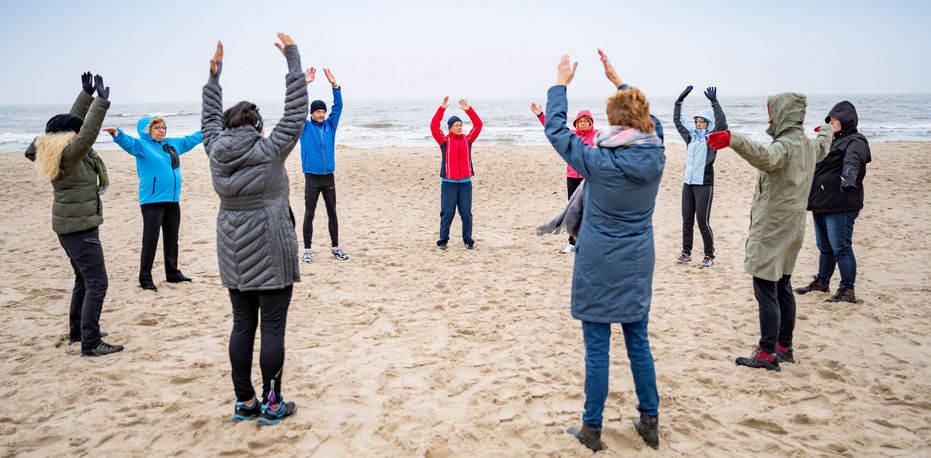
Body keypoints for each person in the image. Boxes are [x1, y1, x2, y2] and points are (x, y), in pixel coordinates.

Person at [546, 50, 664, 452]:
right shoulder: (657, 153)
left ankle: (591, 430)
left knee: (597, 349)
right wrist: (621, 83)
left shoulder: (597, 160)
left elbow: (557, 131)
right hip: (636, 259)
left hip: (598, 261)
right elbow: (655, 124)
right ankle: (650, 422)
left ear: (614, 122)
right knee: (638, 343)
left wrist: (560, 85)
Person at [201, 34, 307, 425]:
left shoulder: (214, 148)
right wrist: (293, 63)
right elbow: (295, 115)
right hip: (270, 243)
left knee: (242, 323)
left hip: (231, 244)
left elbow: (208, 122)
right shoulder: (268, 149)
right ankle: (273, 402)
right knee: (273, 326)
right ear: (257, 125)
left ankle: (245, 400)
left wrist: (214, 81)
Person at [707, 93, 834, 371]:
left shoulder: (785, 146)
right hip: (793, 229)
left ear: (782, 113)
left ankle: (767, 354)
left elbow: (764, 157)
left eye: (771, 111)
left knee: (766, 288)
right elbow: (824, 144)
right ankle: (783, 347)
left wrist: (733, 140)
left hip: (773, 228)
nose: (769, 116)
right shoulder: (808, 146)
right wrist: (827, 127)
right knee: (783, 286)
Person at [25, 72, 124, 357]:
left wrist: (85, 97)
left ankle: (77, 331)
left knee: (83, 278)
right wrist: (101, 103)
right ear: (68, 137)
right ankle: (91, 342)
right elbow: (88, 132)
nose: (77, 135)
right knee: (97, 282)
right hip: (80, 228)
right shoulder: (69, 154)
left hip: (68, 225)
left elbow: (69, 126)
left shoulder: (52, 149)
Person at [103, 118, 202, 291]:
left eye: (163, 127)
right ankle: (145, 278)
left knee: (172, 239)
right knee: (151, 240)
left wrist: (206, 131)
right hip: (152, 201)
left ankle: (172, 274)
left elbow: (190, 140)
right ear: (148, 130)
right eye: (157, 128)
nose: (161, 130)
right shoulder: (142, 146)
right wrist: (117, 134)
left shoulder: (172, 144)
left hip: (172, 200)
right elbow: (128, 143)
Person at [794, 101, 871, 303]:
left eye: (836, 119)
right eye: (830, 119)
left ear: (846, 120)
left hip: (841, 203)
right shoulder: (832, 140)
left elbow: (852, 161)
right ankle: (822, 282)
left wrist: (849, 180)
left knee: (841, 247)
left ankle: (847, 290)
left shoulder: (856, 141)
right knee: (824, 247)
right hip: (821, 202)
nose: (832, 121)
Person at [531, 102, 598, 253]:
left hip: (589, 179)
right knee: (573, 212)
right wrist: (541, 115)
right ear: (577, 123)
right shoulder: (571, 135)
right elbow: (555, 129)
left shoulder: (597, 136)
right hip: (572, 177)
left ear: (590, 123)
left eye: (586, 121)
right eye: (580, 121)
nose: (583, 123)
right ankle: (572, 242)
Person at [673, 85, 727, 267]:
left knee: (702, 221)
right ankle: (686, 253)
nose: (697, 123)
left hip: (704, 183)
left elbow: (722, 124)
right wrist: (679, 102)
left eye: (701, 121)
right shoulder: (691, 137)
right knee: (687, 221)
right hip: (688, 183)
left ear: (708, 123)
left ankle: (709, 255)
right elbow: (678, 122)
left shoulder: (712, 138)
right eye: (696, 120)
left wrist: (714, 102)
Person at [298, 67, 348, 263]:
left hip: (328, 176)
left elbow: (339, 107)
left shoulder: (330, 125)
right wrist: (304, 85)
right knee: (309, 213)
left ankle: (335, 247)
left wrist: (335, 86)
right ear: (311, 113)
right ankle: (308, 250)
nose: (321, 114)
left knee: (332, 212)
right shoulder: (305, 127)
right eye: (317, 111)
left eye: (323, 111)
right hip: (311, 176)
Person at [429, 96, 483, 250]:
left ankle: (468, 240)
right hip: (449, 184)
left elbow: (478, 125)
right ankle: (443, 240)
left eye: (461, 125)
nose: (459, 127)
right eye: (456, 125)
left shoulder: (468, 139)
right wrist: (442, 109)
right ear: (450, 128)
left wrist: (469, 110)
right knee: (447, 213)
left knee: (466, 213)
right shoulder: (444, 141)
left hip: (465, 183)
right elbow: (433, 127)